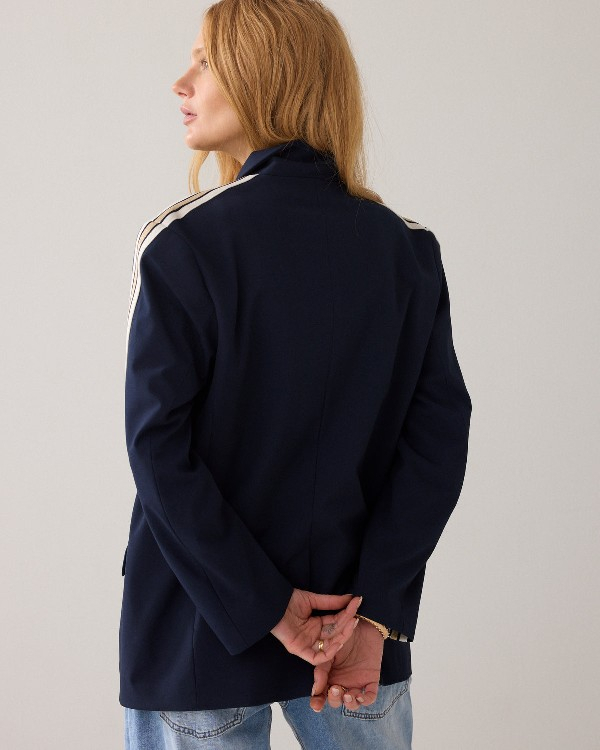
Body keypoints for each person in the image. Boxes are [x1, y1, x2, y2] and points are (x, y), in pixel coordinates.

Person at [119, 0, 472, 747]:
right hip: (355, 636)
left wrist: (266, 606)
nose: (181, 82)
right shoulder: (406, 252)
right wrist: (376, 616)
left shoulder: (183, 244)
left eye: (206, 60)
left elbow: (158, 451)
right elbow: (436, 448)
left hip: (198, 628)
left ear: (263, 74)